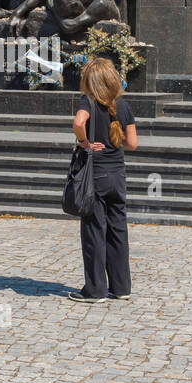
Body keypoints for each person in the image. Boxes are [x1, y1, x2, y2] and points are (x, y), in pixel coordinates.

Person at [69, 57, 138, 302]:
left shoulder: (86, 101)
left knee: (94, 231)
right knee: (118, 230)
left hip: (95, 175)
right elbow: (132, 143)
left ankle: (95, 289)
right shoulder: (123, 106)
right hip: (117, 175)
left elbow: (79, 122)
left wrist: (84, 142)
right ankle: (121, 287)